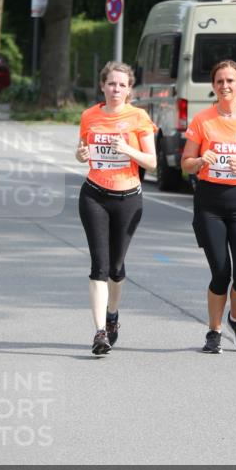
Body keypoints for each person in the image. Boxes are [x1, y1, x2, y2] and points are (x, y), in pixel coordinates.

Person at [181, 59, 236, 354]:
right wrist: (199, 161)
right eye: (220, 81)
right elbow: (186, 164)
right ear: (213, 86)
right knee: (221, 272)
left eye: (230, 80)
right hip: (210, 203)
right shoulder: (202, 120)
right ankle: (214, 330)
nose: (225, 86)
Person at [75, 61, 156, 355]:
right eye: (111, 84)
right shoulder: (89, 116)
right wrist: (81, 153)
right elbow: (82, 151)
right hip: (94, 195)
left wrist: (128, 150)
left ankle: (112, 315)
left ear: (129, 89)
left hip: (128, 198)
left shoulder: (138, 117)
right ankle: (99, 333)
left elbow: (152, 162)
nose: (116, 89)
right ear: (102, 85)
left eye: (122, 85)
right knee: (99, 266)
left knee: (117, 268)